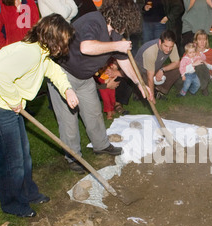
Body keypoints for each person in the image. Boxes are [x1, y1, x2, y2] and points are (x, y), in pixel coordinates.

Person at [0, 14, 79, 217]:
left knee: (23, 154)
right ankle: (13, 204)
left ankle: (28, 193)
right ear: (54, 38)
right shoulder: (29, 53)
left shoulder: (40, 52)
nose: (66, 45)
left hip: (4, 105)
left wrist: (67, 90)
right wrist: (14, 101)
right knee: (12, 159)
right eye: (65, 40)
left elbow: (53, 71)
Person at [47, 0, 151, 173]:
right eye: (126, 23)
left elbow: (124, 61)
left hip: (85, 77)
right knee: (69, 120)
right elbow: (86, 47)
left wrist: (140, 83)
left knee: (94, 113)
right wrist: (117, 45)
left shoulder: (115, 33)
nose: (125, 29)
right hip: (64, 76)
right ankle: (73, 156)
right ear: (119, 17)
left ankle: (101, 145)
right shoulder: (93, 21)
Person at [135, 29, 181, 102]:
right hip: (142, 72)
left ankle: (159, 90)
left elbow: (177, 63)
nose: (168, 49)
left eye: (171, 47)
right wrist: (152, 96)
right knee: (146, 91)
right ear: (160, 42)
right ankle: (146, 92)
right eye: (166, 46)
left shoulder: (172, 46)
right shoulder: (150, 51)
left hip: (156, 68)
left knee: (178, 69)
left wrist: (162, 70)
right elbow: (150, 76)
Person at [194, 29, 212, 96]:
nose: (202, 42)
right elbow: (184, 62)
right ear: (196, 41)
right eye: (199, 40)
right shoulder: (191, 51)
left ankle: (204, 88)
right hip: (193, 73)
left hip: (206, 74)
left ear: (206, 41)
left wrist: (206, 63)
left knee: (200, 65)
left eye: (204, 40)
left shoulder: (211, 52)